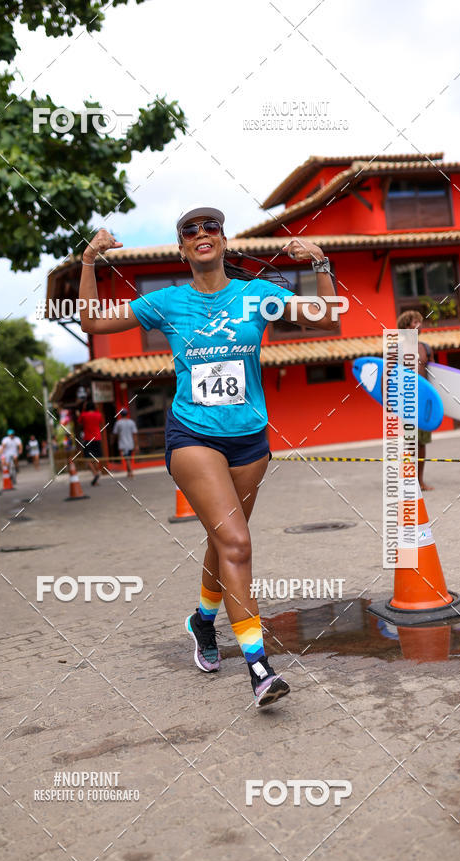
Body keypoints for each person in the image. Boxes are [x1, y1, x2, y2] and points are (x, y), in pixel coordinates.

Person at [78, 206, 341, 708]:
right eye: (190, 231)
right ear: (181, 249)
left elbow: (327, 315)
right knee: (238, 542)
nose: (202, 234)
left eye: (211, 228)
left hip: (249, 440)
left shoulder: (257, 295)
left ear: (223, 241)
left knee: (224, 543)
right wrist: (90, 260)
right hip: (192, 436)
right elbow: (91, 319)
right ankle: (259, 667)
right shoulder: (166, 303)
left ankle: (203, 621)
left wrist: (321, 263)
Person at [397, 309, 434, 490]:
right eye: (415, 322)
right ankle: (409, 481)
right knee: (410, 441)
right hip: (407, 401)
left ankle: (420, 480)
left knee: (422, 442)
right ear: (405, 326)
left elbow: (433, 376)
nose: (419, 325)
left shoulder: (426, 348)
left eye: (420, 322)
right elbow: (390, 377)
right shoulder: (397, 349)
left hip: (424, 401)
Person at [78, 401, 104, 486]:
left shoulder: (84, 415)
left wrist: (83, 409)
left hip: (88, 439)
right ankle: (96, 476)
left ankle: (95, 473)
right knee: (96, 458)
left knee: (88, 459)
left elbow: (79, 421)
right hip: (97, 438)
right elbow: (101, 421)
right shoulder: (98, 414)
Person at [112, 409, 139, 477]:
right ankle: (128, 472)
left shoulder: (118, 423)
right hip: (130, 443)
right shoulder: (131, 422)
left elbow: (115, 433)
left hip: (123, 444)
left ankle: (131, 472)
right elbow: (135, 434)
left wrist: (113, 441)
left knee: (127, 458)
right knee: (128, 458)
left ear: (121, 415)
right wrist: (136, 445)